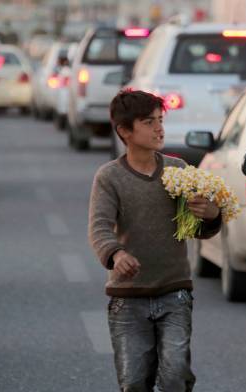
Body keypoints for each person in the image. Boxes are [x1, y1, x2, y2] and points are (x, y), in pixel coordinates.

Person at [88, 89, 222, 392]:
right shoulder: (109, 177)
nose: (159, 128)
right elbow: (99, 229)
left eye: (161, 120)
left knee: (175, 374)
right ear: (124, 130)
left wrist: (211, 214)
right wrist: (117, 255)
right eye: (149, 122)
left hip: (174, 293)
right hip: (128, 297)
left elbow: (197, 229)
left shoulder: (178, 170)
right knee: (134, 382)